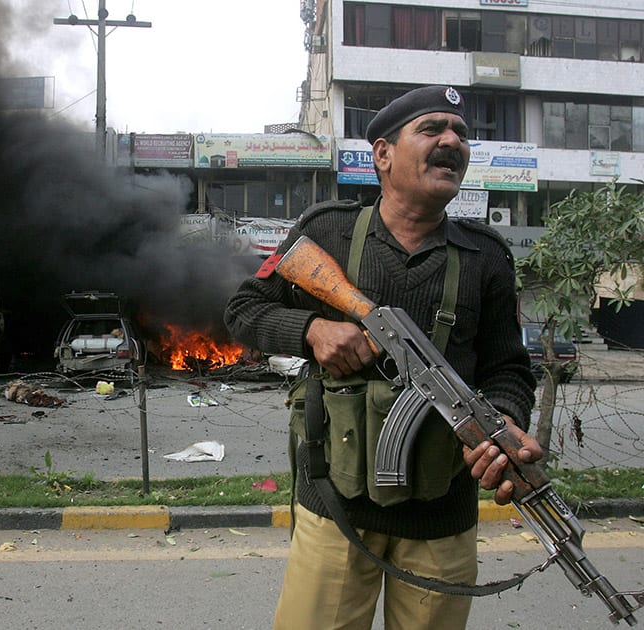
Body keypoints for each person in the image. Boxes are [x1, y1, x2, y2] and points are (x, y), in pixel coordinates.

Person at [223, 85, 541, 630]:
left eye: (461, 133)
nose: (452, 141)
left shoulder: (486, 256)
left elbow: (508, 367)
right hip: (335, 507)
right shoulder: (325, 231)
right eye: (432, 129)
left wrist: (507, 420)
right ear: (383, 154)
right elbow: (243, 309)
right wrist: (311, 329)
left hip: (443, 515)